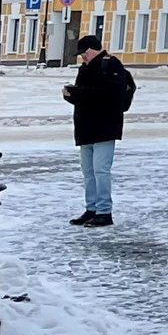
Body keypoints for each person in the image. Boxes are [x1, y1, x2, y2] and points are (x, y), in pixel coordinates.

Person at [62, 33, 136, 227]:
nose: (83, 57)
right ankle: (91, 208)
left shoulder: (111, 65)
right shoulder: (85, 69)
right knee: (88, 171)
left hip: (105, 126)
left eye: (84, 53)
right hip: (86, 127)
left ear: (94, 49)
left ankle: (104, 211)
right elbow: (86, 96)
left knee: (101, 170)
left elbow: (111, 94)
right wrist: (71, 95)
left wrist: (79, 93)